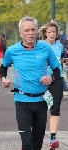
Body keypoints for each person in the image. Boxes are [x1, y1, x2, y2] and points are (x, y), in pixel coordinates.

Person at [0, 16, 61, 150]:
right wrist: (3, 78)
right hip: (22, 100)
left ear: (37, 31)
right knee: (27, 143)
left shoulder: (45, 48)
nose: (30, 33)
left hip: (41, 100)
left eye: (33, 29)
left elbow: (57, 70)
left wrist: (51, 78)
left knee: (37, 145)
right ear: (21, 32)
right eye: (27, 30)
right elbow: (3, 67)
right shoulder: (12, 50)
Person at [39, 21, 64, 150]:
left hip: (57, 80)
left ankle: (53, 138)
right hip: (42, 80)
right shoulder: (40, 45)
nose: (52, 34)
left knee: (55, 108)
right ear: (45, 33)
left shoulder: (60, 47)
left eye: (54, 32)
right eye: (49, 32)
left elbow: (63, 59)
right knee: (39, 108)